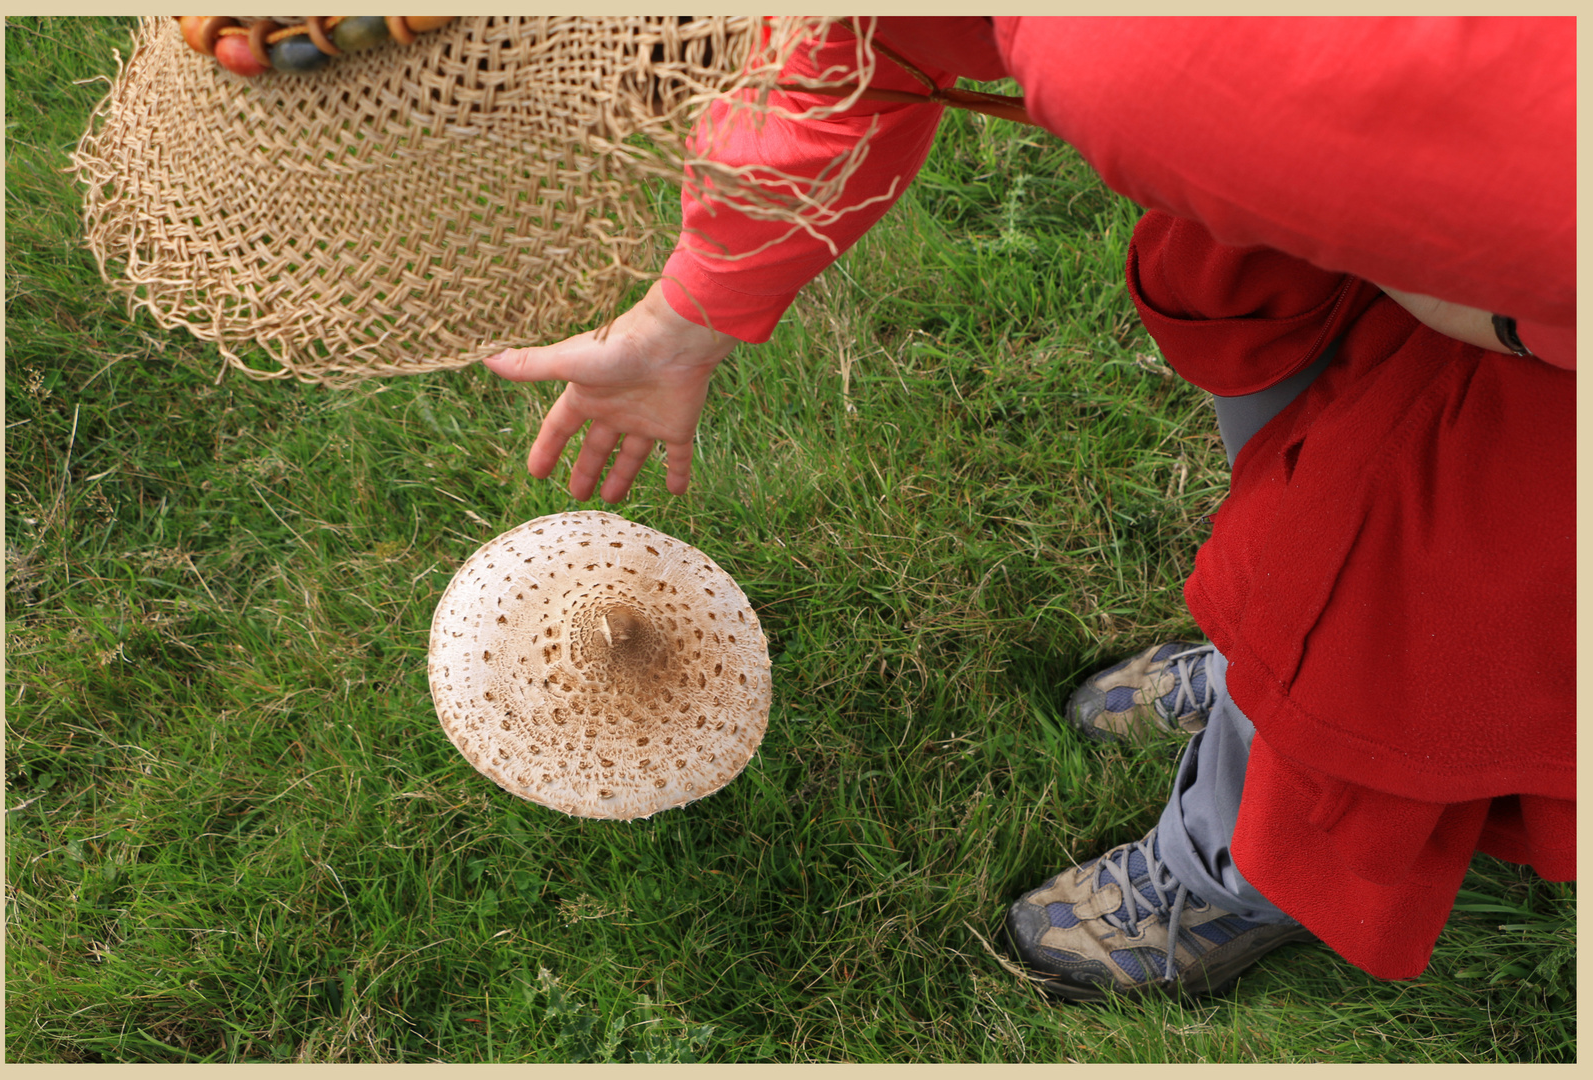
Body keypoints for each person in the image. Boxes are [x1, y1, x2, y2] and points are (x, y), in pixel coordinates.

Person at [480, 17, 1574, 1000]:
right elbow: (859, 46)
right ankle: (1256, 667)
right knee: (1296, 469)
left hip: (1532, 279)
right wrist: (697, 303)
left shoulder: (1129, 59)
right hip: (1369, 195)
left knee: (1374, 603)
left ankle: (1240, 859)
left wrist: (1518, 326)